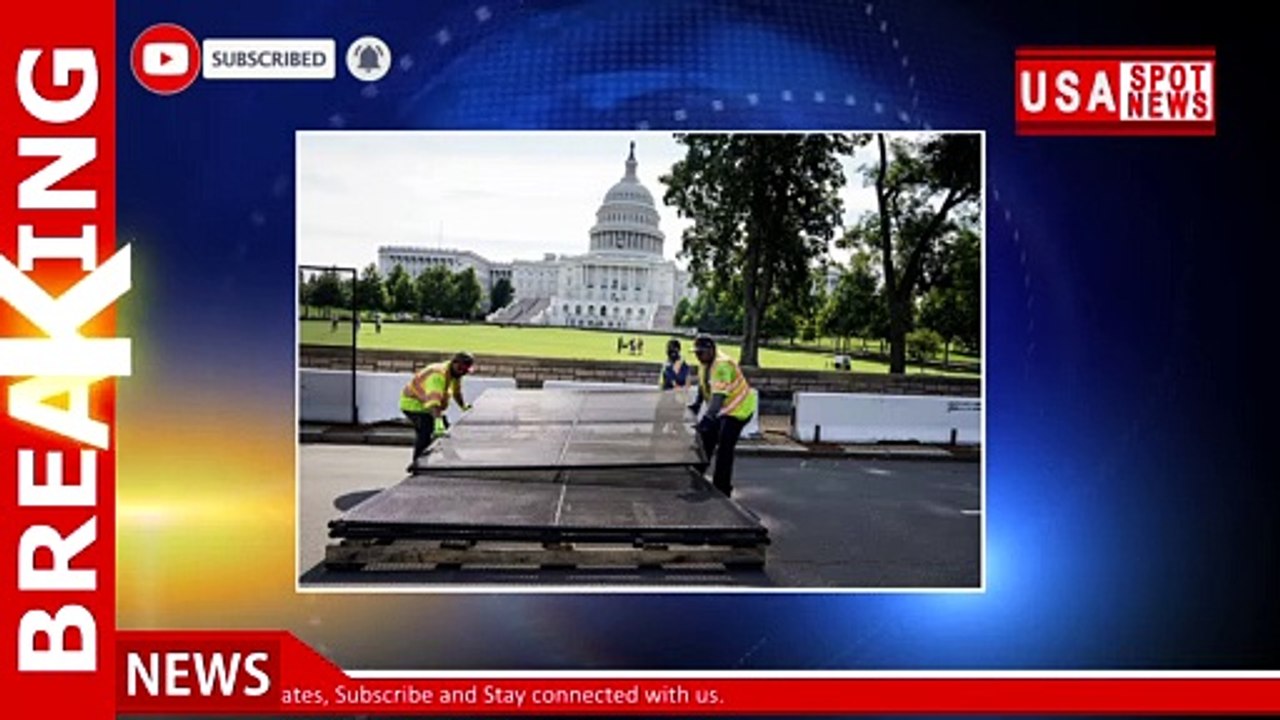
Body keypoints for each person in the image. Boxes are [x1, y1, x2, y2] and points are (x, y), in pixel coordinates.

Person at [691, 334, 756, 497]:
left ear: (711, 350)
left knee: (724, 447)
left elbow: (718, 399)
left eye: (701, 353)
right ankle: (696, 476)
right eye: (696, 353)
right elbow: (703, 385)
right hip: (723, 410)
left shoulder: (721, 365)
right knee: (706, 441)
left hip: (739, 410)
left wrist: (705, 420)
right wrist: (697, 404)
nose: (698, 356)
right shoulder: (705, 363)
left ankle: (722, 488)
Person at [399, 351, 475, 470]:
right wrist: (438, 423)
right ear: (454, 363)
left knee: (446, 429)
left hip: (426, 405)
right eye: (461, 369)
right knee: (426, 431)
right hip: (413, 404)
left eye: (465, 370)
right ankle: (417, 464)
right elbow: (434, 402)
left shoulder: (455, 373)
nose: (463, 372)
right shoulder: (438, 374)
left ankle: (451, 458)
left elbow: (456, 392)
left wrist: (463, 406)